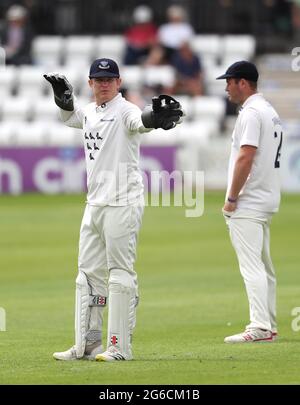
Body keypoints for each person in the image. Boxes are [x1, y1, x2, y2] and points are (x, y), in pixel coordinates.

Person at [44, 58, 183, 361]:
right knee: (87, 277)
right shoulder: (91, 112)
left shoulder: (126, 110)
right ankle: (87, 344)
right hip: (94, 204)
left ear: (118, 83)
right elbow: (71, 118)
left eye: (110, 79)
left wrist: (155, 117)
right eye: (98, 80)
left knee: (119, 275)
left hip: (122, 202)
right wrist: (63, 101)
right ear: (91, 83)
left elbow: (141, 121)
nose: (104, 84)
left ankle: (119, 347)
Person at [216, 61, 283, 343]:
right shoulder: (269, 111)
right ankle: (269, 322)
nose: (226, 87)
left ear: (243, 83)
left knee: (251, 265)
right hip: (267, 197)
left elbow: (246, 156)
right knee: (264, 266)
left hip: (250, 201)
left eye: (229, 81)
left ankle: (259, 326)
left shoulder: (252, 113)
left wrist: (232, 198)